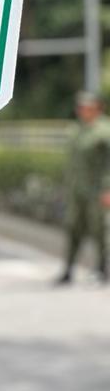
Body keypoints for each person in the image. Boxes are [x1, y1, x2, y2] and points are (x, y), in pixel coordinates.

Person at [55, 91, 110, 285]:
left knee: (99, 231)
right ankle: (68, 269)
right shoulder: (76, 129)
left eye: (87, 107)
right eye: (80, 107)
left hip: (97, 191)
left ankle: (103, 270)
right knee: (72, 229)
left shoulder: (104, 131)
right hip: (77, 190)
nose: (82, 110)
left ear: (97, 108)